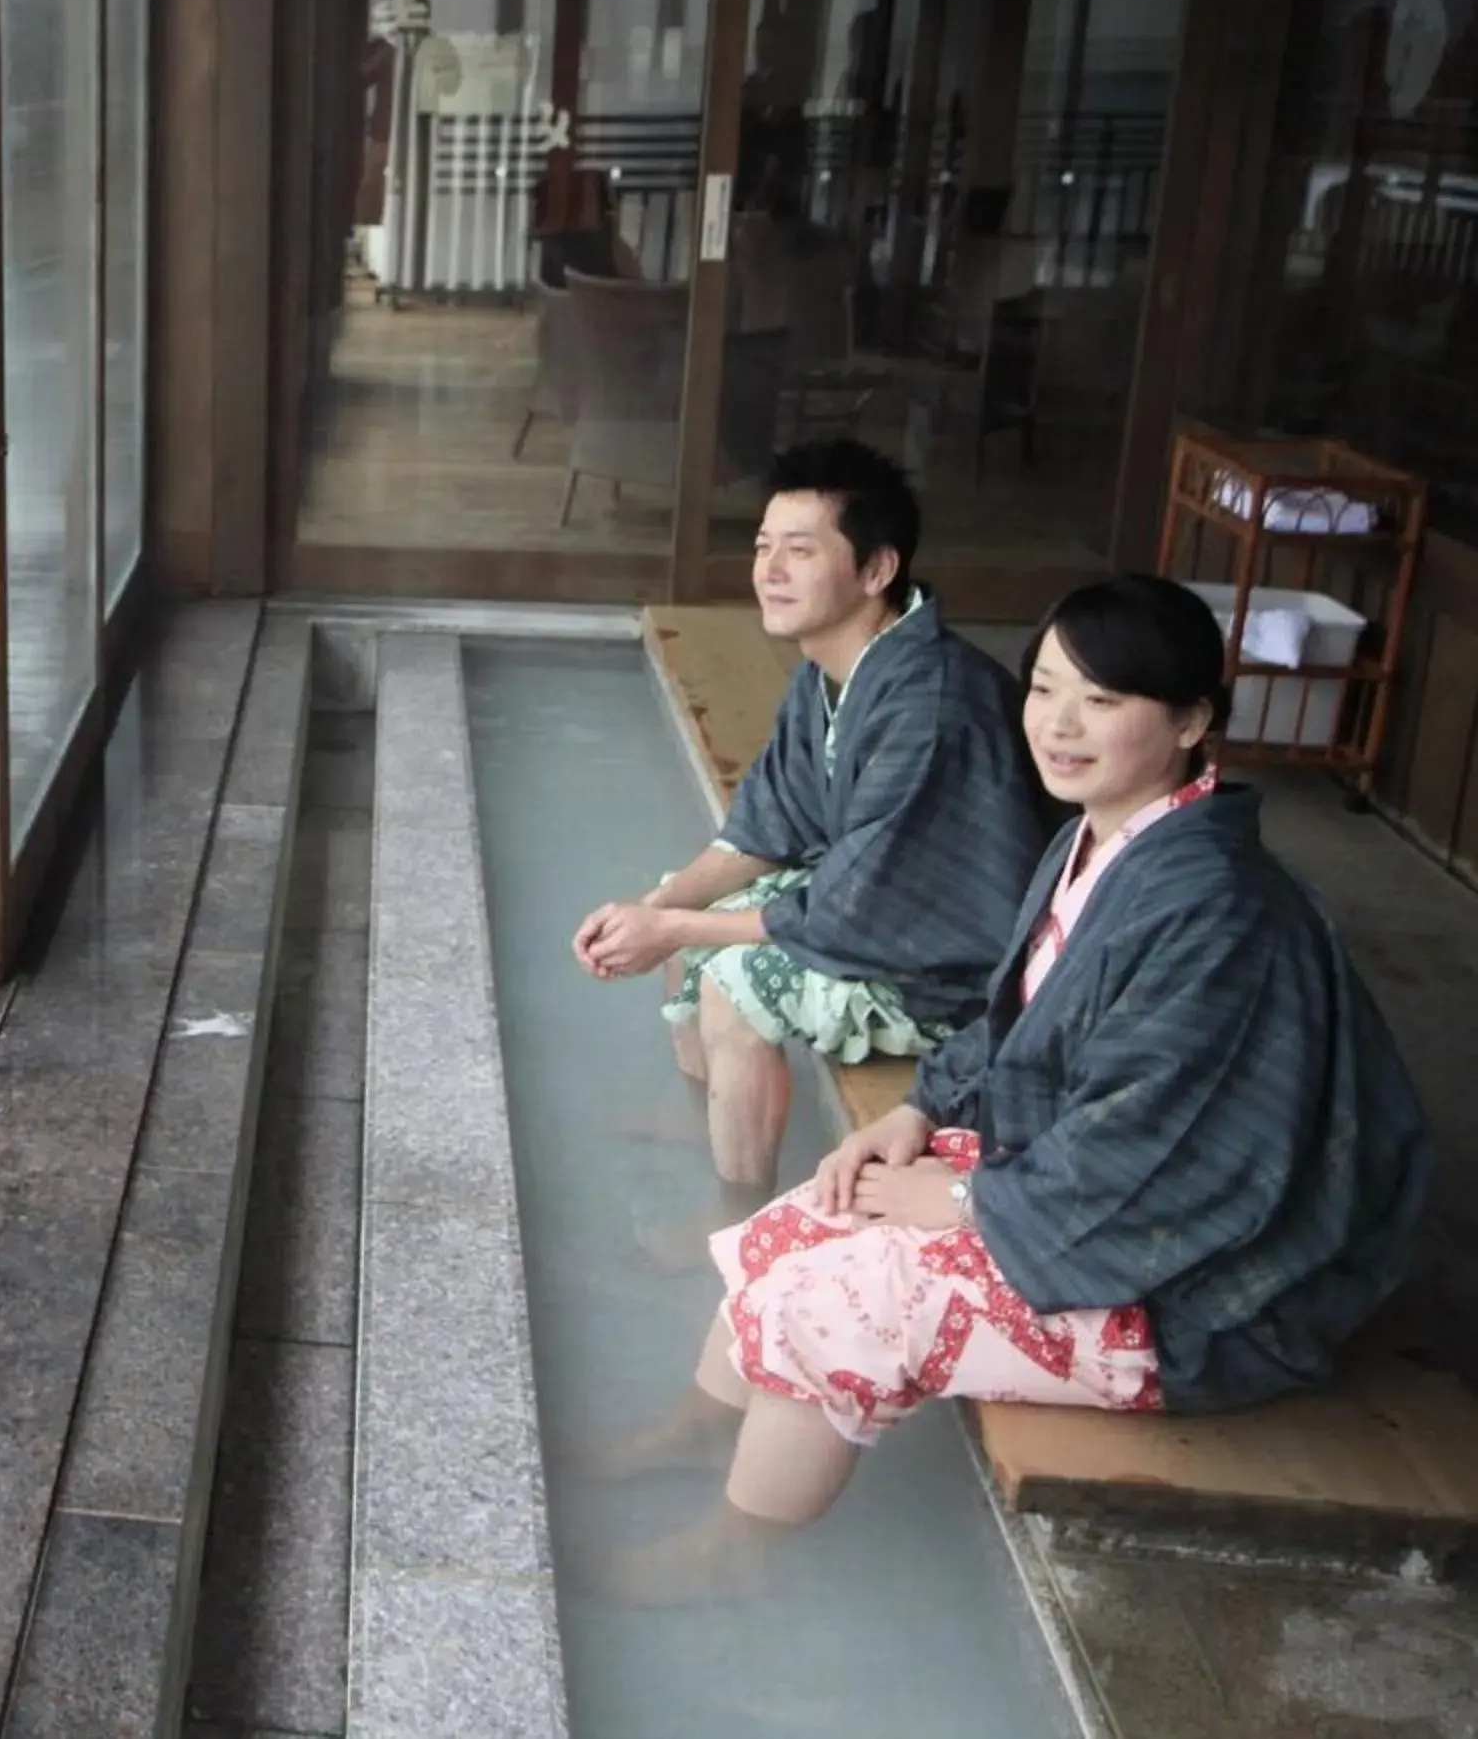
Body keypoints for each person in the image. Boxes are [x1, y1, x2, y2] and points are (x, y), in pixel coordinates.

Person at [598, 575, 1431, 1601]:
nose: (1058, 726)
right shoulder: (1100, 840)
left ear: (1192, 721)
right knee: (804, 1216)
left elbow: (1157, 1158)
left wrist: (958, 1200)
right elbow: (1014, 1020)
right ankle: (704, 1426)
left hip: (1193, 1290)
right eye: (1042, 690)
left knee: (845, 1302)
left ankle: (737, 1554)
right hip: (1070, 1195)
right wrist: (917, 1113)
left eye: (1102, 701)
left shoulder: (1217, 916)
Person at [571, 440, 1048, 1202]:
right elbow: (768, 823)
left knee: (738, 983)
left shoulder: (928, 706)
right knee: (684, 909)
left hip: (953, 972)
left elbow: (858, 908)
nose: (769, 569)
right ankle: (713, 1121)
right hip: (875, 909)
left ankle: (737, 1218)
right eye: (764, 547)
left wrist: (676, 928)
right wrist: (660, 908)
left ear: (876, 569)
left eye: (799, 550)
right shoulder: (836, 669)